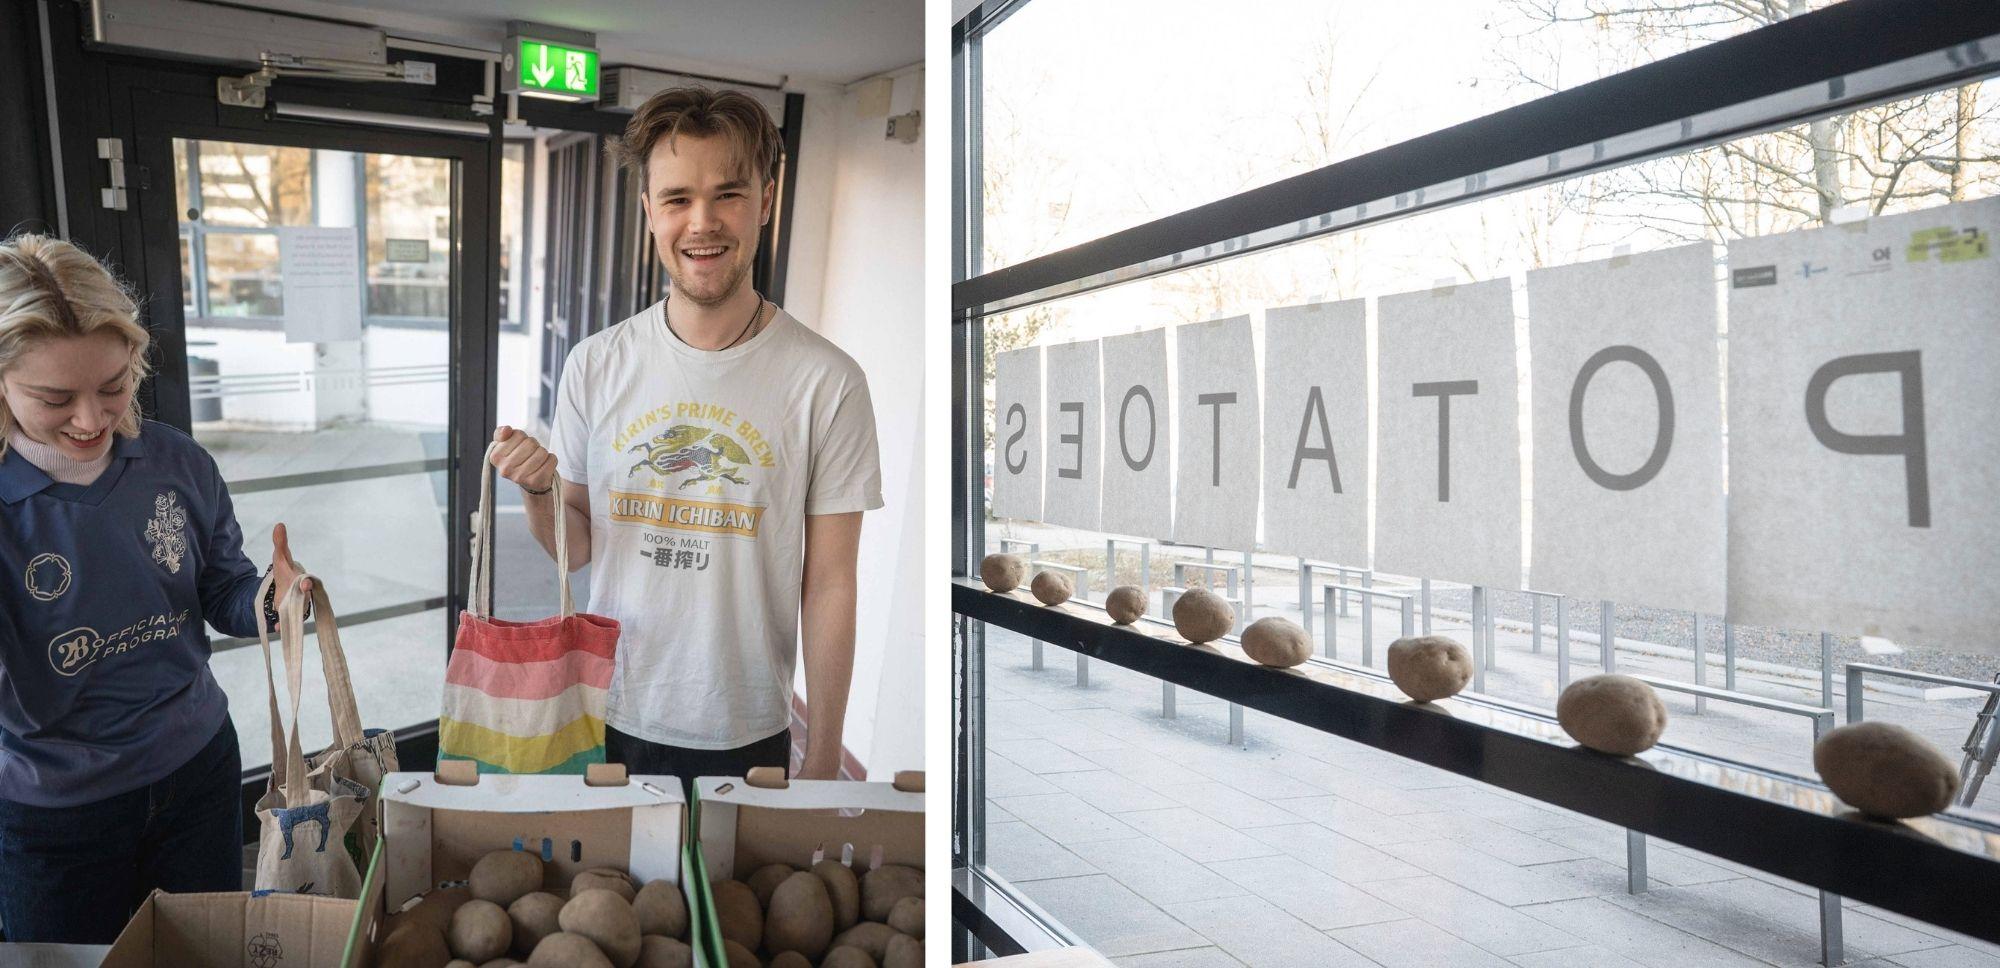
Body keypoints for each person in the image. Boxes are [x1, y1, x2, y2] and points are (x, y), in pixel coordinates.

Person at [489, 87, 881, 783]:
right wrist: (537, 491)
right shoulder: (597, 364)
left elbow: (829, 585)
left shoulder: (828, 381)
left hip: (746, 725)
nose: (702, 222)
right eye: (677, 199)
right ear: (649, 212)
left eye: (727, 194)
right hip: (606, 709)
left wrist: (823, 755)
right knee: (604, 897)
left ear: (765, 201)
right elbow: (575, 546)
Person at [0, 234, 308, 942]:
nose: (90, 419)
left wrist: (270, 600)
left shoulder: (176, 462)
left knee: (201, 957)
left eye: (111, 387)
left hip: (196, 770)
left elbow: (222, 590)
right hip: (56, 811)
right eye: (54, 398)